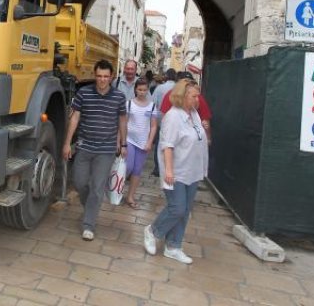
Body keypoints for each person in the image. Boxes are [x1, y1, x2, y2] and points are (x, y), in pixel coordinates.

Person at [143, 79, 209, 264]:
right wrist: (169, 171)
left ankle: (173, 246)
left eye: (198, 95)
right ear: (183, 96)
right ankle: (153, 231)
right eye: (194, 96)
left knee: (185, 210)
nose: (198, 99)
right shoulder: (173, 116)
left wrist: (205, 130)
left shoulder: (194, 114)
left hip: (192, 171)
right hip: (177, 171)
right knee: (177, 208)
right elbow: (167, 146)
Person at [63, 59, 128, 241]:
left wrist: (123, 144)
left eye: (106, 77)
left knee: (97, 188)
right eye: (99, 76)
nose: (102, 80)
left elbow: (122, 120)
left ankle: (88, 224)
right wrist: (67, 143)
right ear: (94, 75)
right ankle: (90, 208)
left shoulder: (119, 97)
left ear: (112, 77)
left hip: (106, 150)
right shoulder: (84, 93)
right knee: (80, 183)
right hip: (84, 146)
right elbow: (75, 118)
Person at [124, 79, 159, 209]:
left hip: (144, 142)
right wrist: (121, 141)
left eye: (145, 90)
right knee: (128, 167)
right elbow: (123, 123)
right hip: (129, 140)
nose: (142, 92)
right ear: (135, 89)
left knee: (137, 170)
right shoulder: (128, 104)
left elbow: (154, 126)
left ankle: (130, 196)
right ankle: (116, 187)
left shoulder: (152, 106)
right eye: (140, 89)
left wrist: (150, 142)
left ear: (147, 90)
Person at [160, 73, 213, 145]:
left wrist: (207, 137)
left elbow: (205, 119)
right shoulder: (171, 100)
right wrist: (208, 138)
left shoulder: (195, 99)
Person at [150, 68, 177, 176]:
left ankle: (157, 168)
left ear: (166, 76)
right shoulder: (178, 88)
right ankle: (171, 167)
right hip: (176, 122)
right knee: (173, 144)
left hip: (162, 120)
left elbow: (153, 103)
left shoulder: (159, 88)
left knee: (159, 143)